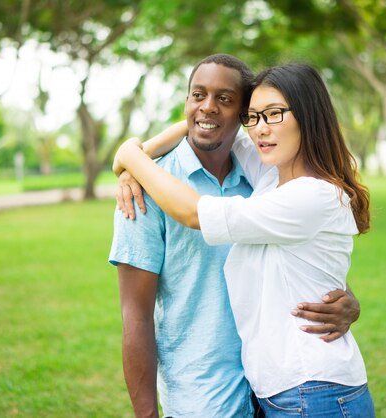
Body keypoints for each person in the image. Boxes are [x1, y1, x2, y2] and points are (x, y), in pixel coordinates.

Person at [109, 55, 362, 418]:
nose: (261, 127)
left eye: (226, 99)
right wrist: (135, 156)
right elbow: (135, 317)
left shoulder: (285, 183)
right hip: (208, 399)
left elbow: (197, 213)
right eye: (197, 94)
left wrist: (132, 157)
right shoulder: (260, 170)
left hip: (296, 391)